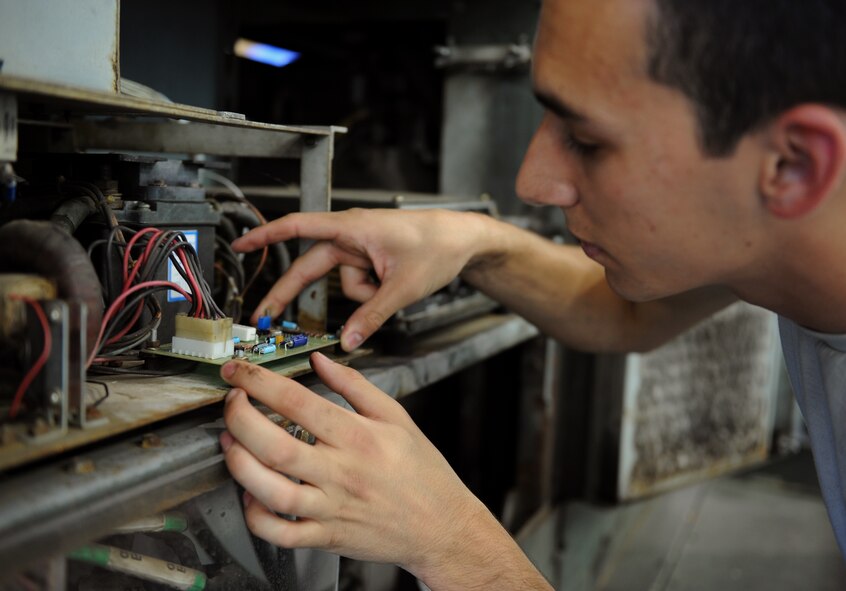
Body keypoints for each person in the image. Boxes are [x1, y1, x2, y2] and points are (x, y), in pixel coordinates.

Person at [217, 0, 846, 588]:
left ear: (793, 165)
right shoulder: (776, 247)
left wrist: (451, 541)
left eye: (587, 140)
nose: (532, 182)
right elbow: (623, 312)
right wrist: (474, 240)